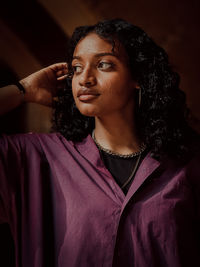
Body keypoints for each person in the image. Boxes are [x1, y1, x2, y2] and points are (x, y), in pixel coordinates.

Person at [0, 18, 200, 267]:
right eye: (76, 68)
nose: (84, 79)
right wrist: (22, 90)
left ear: (137, 77)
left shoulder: (185, 164)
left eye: (103, 65)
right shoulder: (37, 156)